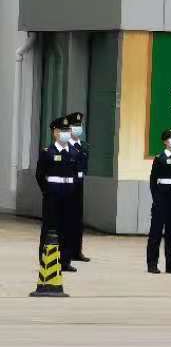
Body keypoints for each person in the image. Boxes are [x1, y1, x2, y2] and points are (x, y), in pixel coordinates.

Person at [35, 117, 79, 273]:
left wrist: (73, 191)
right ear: (55, 133)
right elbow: (39, 175)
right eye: (62, 130)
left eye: (67, 130)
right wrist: (47, 192)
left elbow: (76, 175)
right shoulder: (47, 152)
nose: (65, 133)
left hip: (69, 196)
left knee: (67, 228)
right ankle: (45, 259)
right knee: (49, 228)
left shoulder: (74, 152)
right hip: (52, 197)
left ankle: (65, 261)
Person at [146, 128, 171, 275]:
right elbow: (153, 180)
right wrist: (156, 198)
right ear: (165, 141)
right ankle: (152, 264)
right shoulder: (160, 158)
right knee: (156, 231)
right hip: (161, 195)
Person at [63, 111, 90, 265]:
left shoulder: (84, 145)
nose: (77, 128)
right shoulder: (65, 146)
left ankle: (77, 251)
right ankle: (66, 252)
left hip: (80, 183)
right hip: (68, 183)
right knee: (67, 218)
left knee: (78, 218)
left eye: (79, 125)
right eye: (74, 125)